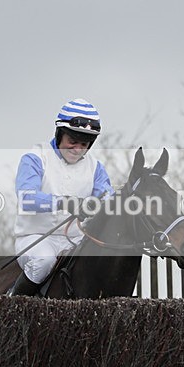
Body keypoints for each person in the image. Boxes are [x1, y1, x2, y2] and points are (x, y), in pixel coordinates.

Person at [8, 98, 114, 296]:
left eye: (84, 143)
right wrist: (66, 202)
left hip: (77, 240)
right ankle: (12, 303)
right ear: (59, 134)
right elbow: (26, 198)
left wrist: (97, 204)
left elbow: (107, 197)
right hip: (35, 238)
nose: (77, 149)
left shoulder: (96, 167)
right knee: (44, 261)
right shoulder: (35, 158)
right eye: (72, 141)